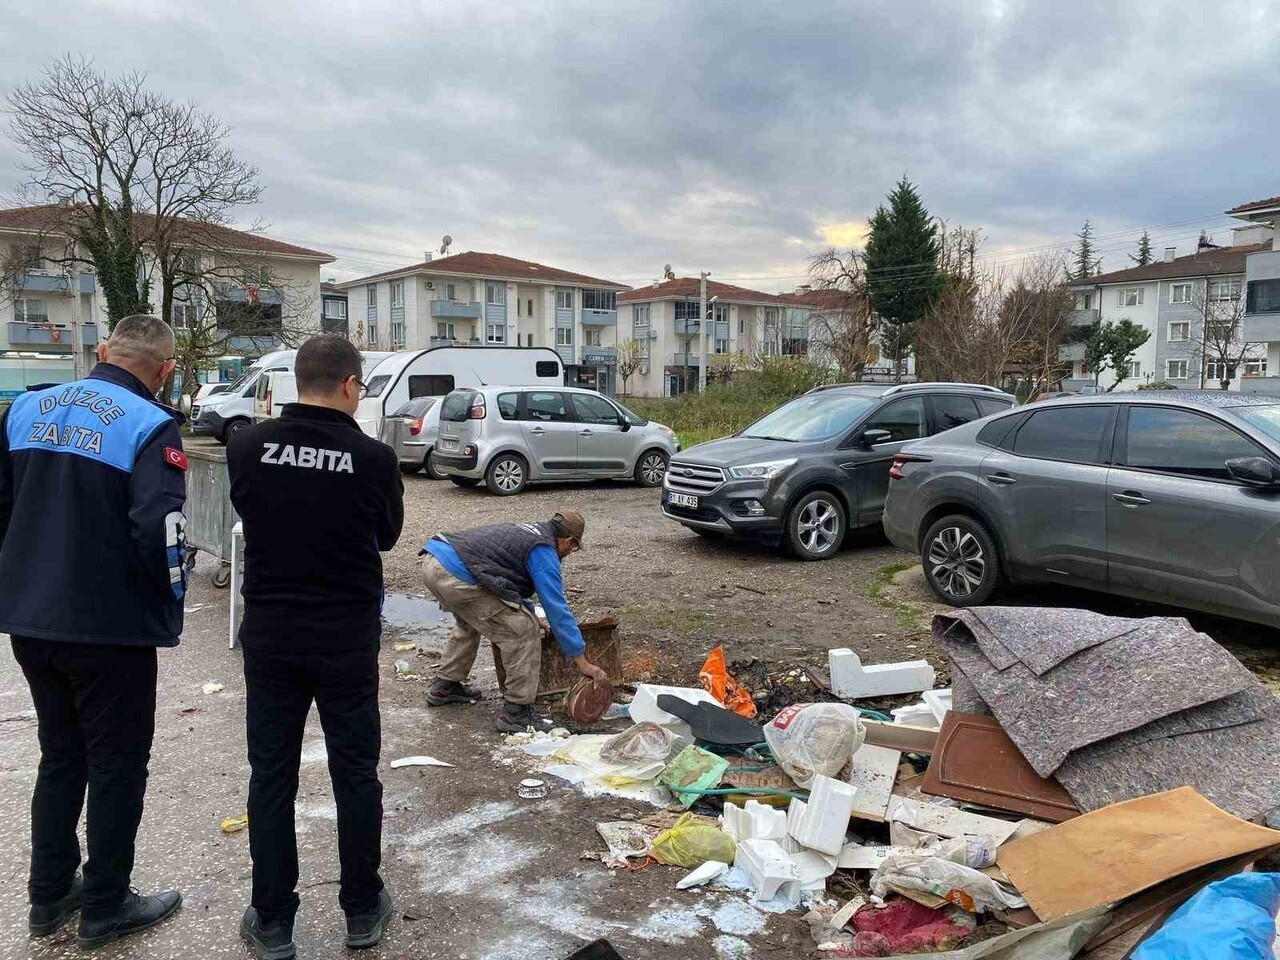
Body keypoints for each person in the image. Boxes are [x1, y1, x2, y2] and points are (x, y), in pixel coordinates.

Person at [0, 315, 187, 949]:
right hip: (109, 629)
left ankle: (49, 896)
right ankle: (106, 904)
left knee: (61, 756)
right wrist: (167, 605)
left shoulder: (24, 410)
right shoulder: (148, 425)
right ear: (163, 371)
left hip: (31, 621)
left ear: (104, 352)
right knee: (116, 766)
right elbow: (159, 534)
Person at [227, 335, 404, 960]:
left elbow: (249, 509)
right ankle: (361, 908)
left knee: (270, 774)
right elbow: (386, 535)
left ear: (295, 383)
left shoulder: (246, 445)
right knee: (354, 771)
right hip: (345, 639)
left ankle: (273, 919)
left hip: (273, 637)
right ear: (352, 386)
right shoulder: (375, 458)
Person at [421, 511, 607, 732]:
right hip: (456, 572)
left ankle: (445, 685)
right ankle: (516, 713)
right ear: (568, 540)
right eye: (573, 548)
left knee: (472, 620)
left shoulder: (532, 532)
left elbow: (508, 583)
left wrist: (531, 612)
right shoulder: (544, 551)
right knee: (523, 630)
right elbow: (557, 608)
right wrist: (581, 661)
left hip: (435, 561)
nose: (570, 552)